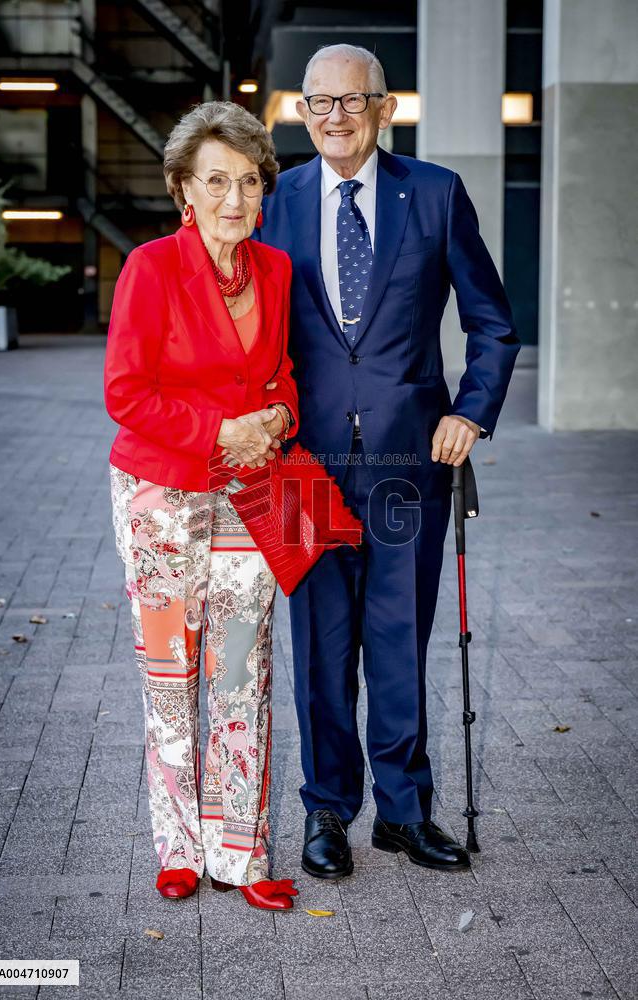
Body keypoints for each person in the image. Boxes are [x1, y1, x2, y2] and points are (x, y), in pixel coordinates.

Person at [258, 44, 520, 879]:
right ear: (302, 113)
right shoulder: (276, 200)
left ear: (384, 107)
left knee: (400, 640)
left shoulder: (436, 193)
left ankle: (403, 815)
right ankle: (328, 812)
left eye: (351, 100)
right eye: (317, 103)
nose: (334, 117)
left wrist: (470, 412)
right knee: (320, 648)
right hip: (302, 461)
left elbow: (493, 323)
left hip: (409, 459)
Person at [104, 101, 300, 909]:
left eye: (249, 182)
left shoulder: (278, 270)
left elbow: (285, 374)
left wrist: (280, 416)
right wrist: (224, 430)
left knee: (241, 672)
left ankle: (240, 855)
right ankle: (179, 846)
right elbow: (126, 393)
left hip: (252, 491)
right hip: (160, 494)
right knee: (170, 672)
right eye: (216, 181)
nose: (234, 198)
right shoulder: (149, 267)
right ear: (184, 188)